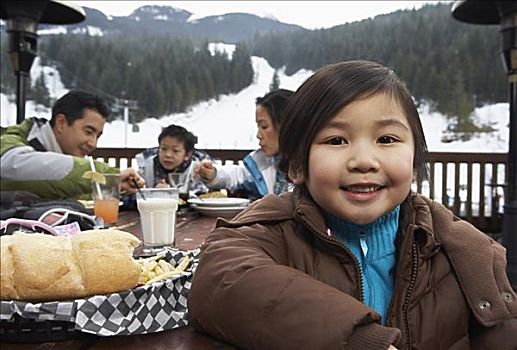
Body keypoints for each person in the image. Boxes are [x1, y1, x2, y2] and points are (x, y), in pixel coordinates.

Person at [188, 61, 516, 349]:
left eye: (386, 139)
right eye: (336, 140)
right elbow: (219, 277)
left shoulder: (463, 248)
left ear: (414, 158)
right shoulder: (276, 228)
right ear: (298, 166)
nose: (363, 161)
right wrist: (355, 339)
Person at [0, 90, 144, 205]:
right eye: (88, 132)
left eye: (97, 136)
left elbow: (78, 191)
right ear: (61, 123)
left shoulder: (66, 162)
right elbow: (14, 168)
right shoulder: (10, 142)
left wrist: (120, 188)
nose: (93, 143)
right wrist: (108, 175)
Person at [195, 89, 294, 200]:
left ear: (286, 125)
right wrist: (213, 174)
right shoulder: (263, 161)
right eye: (258, 127)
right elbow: (237, 176)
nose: (258, 135)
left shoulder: (309, 166)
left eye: (264, 126)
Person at [135, 124, 211, 194]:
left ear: (187, 155)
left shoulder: (196, 168)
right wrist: (153, 192)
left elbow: (203, 193)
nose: (168, 155)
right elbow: (134, 194)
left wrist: (170, 193)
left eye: (175, 151)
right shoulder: (147, 167)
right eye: (163, 149)